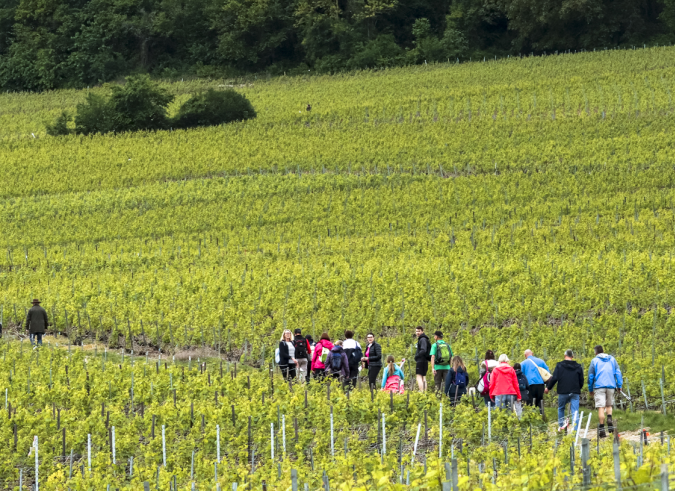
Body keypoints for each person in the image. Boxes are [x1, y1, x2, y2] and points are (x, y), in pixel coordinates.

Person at [545, 349, 584, 432]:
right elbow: (581, 380)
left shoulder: (559, 365)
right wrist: (577, 388)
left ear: (564, 355)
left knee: (561, 408)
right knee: (575, 411)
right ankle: (575, 431)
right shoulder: (578, 366)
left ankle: (561, 427)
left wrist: (548, 388)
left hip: (563, 391)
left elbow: (554, 378)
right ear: (572, 356)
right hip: (575, 391)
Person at [588, 345, 622, 438]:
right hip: (611, 385)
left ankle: (602, 430)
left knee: (601, 407)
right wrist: (619, 385)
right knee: (609, 405)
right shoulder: (612, 359)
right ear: (603, 351)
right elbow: (618, 372)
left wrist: (590, 389)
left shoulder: (594, 361)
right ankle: (609, 418)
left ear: (596, 352)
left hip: (599, 386)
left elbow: (591, 376)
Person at [414, 326, 431, 392]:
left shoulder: (422, 339)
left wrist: (417, 356)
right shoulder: (425, 339)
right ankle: (425, 392)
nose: (417, 333)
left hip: (421, 361)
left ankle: (422, 391)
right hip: (425, 361)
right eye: (416, 331)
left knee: (419, 377)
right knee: (423, 377)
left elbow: (423, 350)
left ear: (422, 331)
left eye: (419, 331)